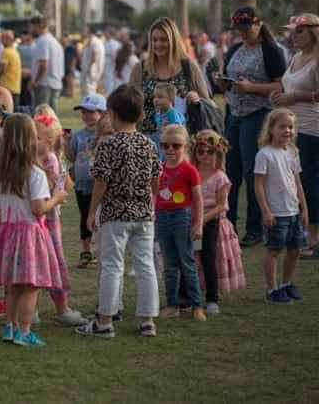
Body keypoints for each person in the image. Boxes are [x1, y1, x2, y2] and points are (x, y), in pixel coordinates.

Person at [77, 85, 162, 340]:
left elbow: (101, 182)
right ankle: (147, 320)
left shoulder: (109, 144)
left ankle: (104, 322)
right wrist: (151, 200)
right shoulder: (147, 144)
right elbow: (156, 178)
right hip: (143, 214)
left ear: (111, 113)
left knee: (113, 266)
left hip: (115, 214)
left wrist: (92, 213)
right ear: (140, 115)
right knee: (146, 265)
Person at [0, 114, 66, 348]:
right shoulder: (35, 173)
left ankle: (9, 327)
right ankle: (25, 331)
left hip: (8, 233)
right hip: (30, 235)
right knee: (31, 286)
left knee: (14, 285)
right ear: (31, 139)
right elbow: (39, 208)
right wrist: (57, 198)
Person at [215, 7, 285, 247]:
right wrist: (222, 83)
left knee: (251, 171)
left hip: (257, 114)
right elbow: (229, 81)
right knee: (230, 171)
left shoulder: (271, 51)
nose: (243, 34)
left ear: (259, 24)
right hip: (233, 113)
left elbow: (280, 86)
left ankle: (255, 229)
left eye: (247, 28)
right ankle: (229, 224)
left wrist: (253, 88)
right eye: (239, 29)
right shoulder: (235, 49)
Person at [32, 112, 89, 326]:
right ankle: (32, 308)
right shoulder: (29, 160)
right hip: (32, 221)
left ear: (48, 140)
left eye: (36, 138)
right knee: (33, 262)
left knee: (54, 260)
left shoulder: (50, 160)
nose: (32, 142)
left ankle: (62, 307)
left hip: (48, 219)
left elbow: (49, 192)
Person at [270, 13, 319, 256]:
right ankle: (306, 235)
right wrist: (280, 96)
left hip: (313, 128)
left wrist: (295, 97)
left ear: (313, 32)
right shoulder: (296, 57)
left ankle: (314, 239)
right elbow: (288, 86)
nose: (293, 36)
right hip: (294, 129)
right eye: (293, 31)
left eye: (299, 31)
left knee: (311, 184)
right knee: (299, 183)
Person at [255, 109, 308, 305]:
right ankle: (271, 290)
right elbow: (258, 184)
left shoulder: (293, 152)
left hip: (293, 211)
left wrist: (304, 208)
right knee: (274, 250)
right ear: (271, 129)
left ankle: (286, 284)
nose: (287, 130)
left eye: (291, 127)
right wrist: (266, 211)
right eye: (282, 126)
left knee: (295, 250)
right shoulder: (265, 154)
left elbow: (297, 182)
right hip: (276, 213)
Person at [153, 124, 206, 321]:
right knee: (169, 265)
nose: (170, 150)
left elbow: (198, 200)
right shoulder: (158, 168)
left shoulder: (190, 170)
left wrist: (198, 223)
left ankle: (197, 305)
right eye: (165, 145)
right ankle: (172, 304)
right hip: (162, 218)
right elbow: (154, 193)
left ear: (185, 147)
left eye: (176, 145)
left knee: (188, 263)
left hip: (182, 218)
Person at [191, 130, 245, 315]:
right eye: (200, 151)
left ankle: (212, 298)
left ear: (218, 153)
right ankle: (192, 294)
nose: (205, 155)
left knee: (209, 259)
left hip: (212, 223)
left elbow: (222, 205)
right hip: (193, 221)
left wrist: (202, 220)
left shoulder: (220, 177)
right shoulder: (192, 173)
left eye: (210, 151)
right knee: (192, 258)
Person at [129, 17, 208, 140]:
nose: (158, 44)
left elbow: (206, 101)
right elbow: (130, 103)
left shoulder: (188, 67)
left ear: (173, 41)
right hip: (146, 138)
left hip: (180, 141)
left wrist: (196, 99)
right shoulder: (140, 68)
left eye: (163, 40)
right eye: (154, 40)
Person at [68, 94, 108, 268]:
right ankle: (86, 251)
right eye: (83, 112)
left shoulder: (107, 135)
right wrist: (65, 144)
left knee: (99, 217)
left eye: (91, 112)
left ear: (103, 113)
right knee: (85, 215)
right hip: (82, 185)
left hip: (98, 184)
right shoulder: (78, 135)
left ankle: (101, 250)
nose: (86, 115)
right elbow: (72, 157)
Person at [29, 16, 64, 110]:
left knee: (41, 117)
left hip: (44, 84)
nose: (31, 30)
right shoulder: (54, 40)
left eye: (32, 27)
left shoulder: (43, 41)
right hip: (55, 82)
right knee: (51, 118)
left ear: (38, 26)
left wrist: (35, 82)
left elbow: (43, 65)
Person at [151, 82, 187, 156]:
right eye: (154, 97)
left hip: (173, 146)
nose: (156, 100)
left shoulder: (173, 114)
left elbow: (179, 132)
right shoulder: (157, 114)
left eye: (160, 97)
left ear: (171, 99)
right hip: (162, 142)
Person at [79, 29, 105, 96]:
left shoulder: (95, 42)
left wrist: (89, 69)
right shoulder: (91, 41)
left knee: (89, 92)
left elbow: (94, 56)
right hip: (88, 70)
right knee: (85, 91)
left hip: (90, 72)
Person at [17, 31, 36, 109]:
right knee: (22, 96)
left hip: (30, 75)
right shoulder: (19, 48)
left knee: (29, 95)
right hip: (21, 74)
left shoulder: (35, 47)